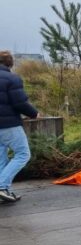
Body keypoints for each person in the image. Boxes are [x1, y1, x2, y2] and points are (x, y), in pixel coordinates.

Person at [0, 51, 38, 202]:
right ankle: (2, 186)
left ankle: (5, 192)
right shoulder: (12, 78)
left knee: (1, 158)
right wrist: (34, 113)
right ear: (10, 63)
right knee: (23, 154)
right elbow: (20, 103)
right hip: (8, 124)